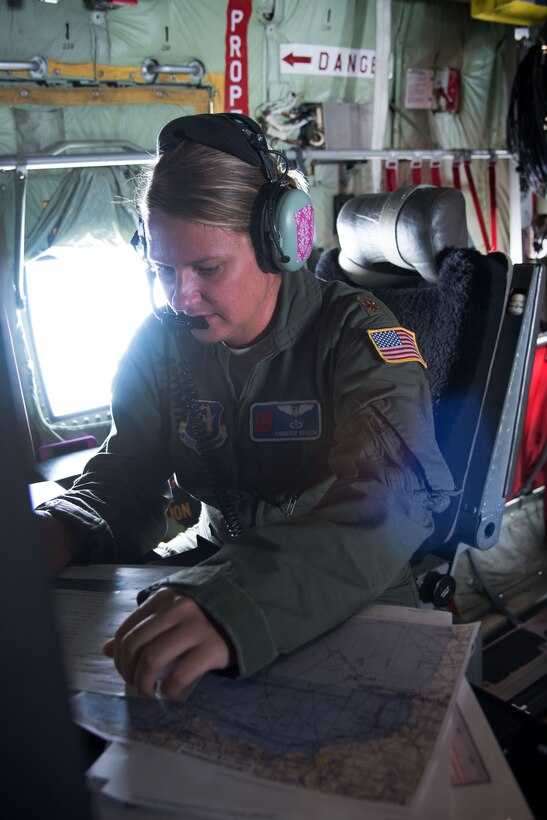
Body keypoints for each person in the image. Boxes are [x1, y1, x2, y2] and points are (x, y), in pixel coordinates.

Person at [35, 113, 455, 698]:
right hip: (217, 565)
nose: (181, 297)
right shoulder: (160, 344)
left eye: (207, 269)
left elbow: (393, 503)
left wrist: (237, 600)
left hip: (352, 580)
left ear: (276, 244)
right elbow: (129, 472)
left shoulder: (358, 337)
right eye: (163, 269)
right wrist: (62, 528)